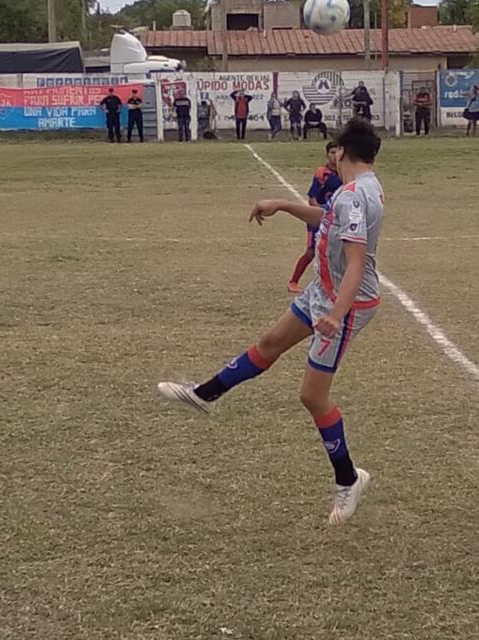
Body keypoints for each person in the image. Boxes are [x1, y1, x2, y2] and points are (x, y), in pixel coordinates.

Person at [157, 118, 383, 526]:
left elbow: (355, 263)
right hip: (323, 291)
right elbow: (324, 219)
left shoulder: (353, 196)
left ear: (342, 152)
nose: (330, 155)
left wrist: (335, 315)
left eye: (333, 149)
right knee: (269, 344)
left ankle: (350, 478)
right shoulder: (363, 188)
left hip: (344, 303)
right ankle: (205, 394)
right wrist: (281, 203)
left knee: (312, 396)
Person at [288, 140, 344, 294]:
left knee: (338, 252)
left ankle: (334, 284)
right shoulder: (322, 173)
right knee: (312, 251)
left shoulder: (345, 172)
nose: (335, 156)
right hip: (320, 216)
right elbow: (312, 198)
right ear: (327, 155)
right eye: (331, 153)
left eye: (337, 152)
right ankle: (293, 281)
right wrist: (321, 213)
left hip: (338, 217)